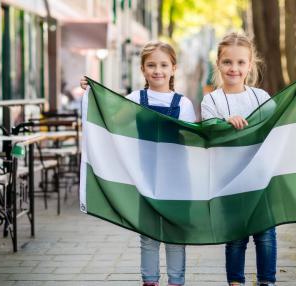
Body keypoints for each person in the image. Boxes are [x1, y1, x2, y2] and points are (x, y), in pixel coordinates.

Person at [200, 32, 296, 286]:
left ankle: (267, 282)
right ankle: (236, 282)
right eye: (228, 62)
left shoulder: (261, 98)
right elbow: (208, 133)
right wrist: (223, 123)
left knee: (265, 234)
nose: (234, 68)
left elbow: (281, 121)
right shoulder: (211, 100)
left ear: (250, 65)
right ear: (218, 63)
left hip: (261, 179)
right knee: (236, 237)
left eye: (241, 63)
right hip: (229, 180)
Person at [80, 41, 196, 286]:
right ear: (142, 69)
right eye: (151, 65)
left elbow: (190, 140)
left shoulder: (183, 104)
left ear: (173, 68)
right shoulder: (134, 99)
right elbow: (112, 120)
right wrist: (91, 95)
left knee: (176, 235)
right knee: (149, 235)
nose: (158, 70)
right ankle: (150, 281)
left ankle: (176, 281)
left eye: (164, 65)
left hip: (177, 180)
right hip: (146, 178)